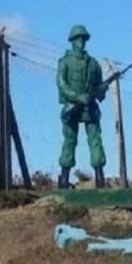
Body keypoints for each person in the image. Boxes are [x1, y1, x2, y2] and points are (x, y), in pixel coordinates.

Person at [56, 25, 107, 189]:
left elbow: (100, 85)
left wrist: (101, 91)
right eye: (78, 38)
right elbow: (61, 84)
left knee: (95, 140)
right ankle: (64, 179)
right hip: (72, 107)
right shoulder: (65, 62)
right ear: (72, 41)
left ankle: (100, 178)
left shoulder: (94, 64)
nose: (81, 41)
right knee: (70, 141)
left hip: (90, 108)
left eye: (84, 38)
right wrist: (77, 97)